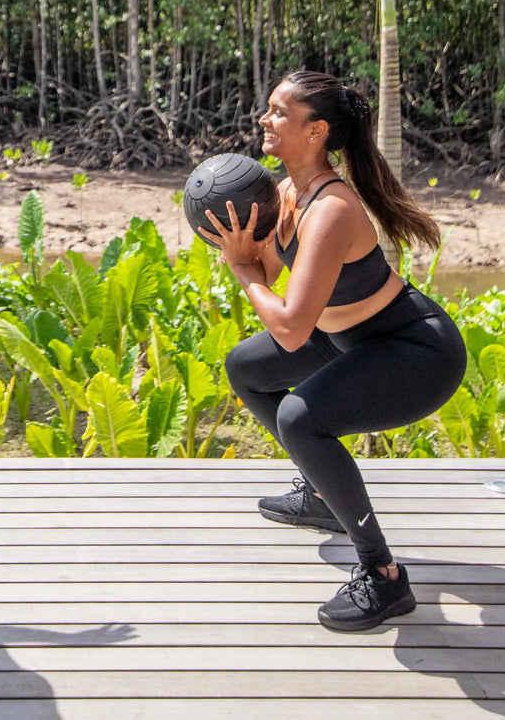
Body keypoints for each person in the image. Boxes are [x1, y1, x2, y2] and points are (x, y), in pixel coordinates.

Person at [201, 70, 466, 632]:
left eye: (277, 112)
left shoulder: (332, 209)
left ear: (315, 131)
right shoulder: (285, 191)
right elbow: (286, 281)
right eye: (267, 110)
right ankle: (324, 493)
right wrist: (252, 250)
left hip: (414, 351)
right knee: (246, 368)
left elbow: (292, 328)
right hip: (346, 334)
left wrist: (241, 268)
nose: (263, 120)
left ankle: (384, 576)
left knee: (301, 418)